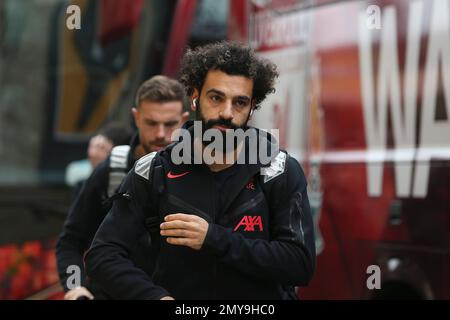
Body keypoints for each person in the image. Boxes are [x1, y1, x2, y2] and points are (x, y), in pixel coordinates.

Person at [85, 42, 316, 300]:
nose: (227, 113)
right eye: (216, 98)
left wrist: (212, 238)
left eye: (240, 102)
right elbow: (103, 255)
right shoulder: (155, 170)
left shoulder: (278, 170)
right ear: (195, 97)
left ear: (252, 107)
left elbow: (300, 266)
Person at [56, 75, 189, 300]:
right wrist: (74, 287)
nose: (160, 134)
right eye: (151, 122)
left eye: (169, 124)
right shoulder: (113, 170)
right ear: (136, 117)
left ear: (184, 120)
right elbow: (71, 241)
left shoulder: (197, 172)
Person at [65, 122, 133, 200]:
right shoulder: (80, 182)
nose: (92, 153)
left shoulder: (129, 185)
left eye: (102, 148)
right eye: (92, 146)